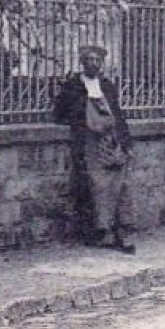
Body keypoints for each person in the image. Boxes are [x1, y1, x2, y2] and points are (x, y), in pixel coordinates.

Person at [51, 44, 135, 253]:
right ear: (82, 62)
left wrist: (125, 143)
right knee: (96, 186)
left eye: (97, 60)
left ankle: (120, 231)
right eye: (89, 59)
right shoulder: (73, 86)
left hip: (111, 141)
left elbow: (118, 114)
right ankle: (100, 232)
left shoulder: (107, 86)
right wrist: (79, 122)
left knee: (118, 186)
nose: (93, 64)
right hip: (88, 142)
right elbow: (59, 113)